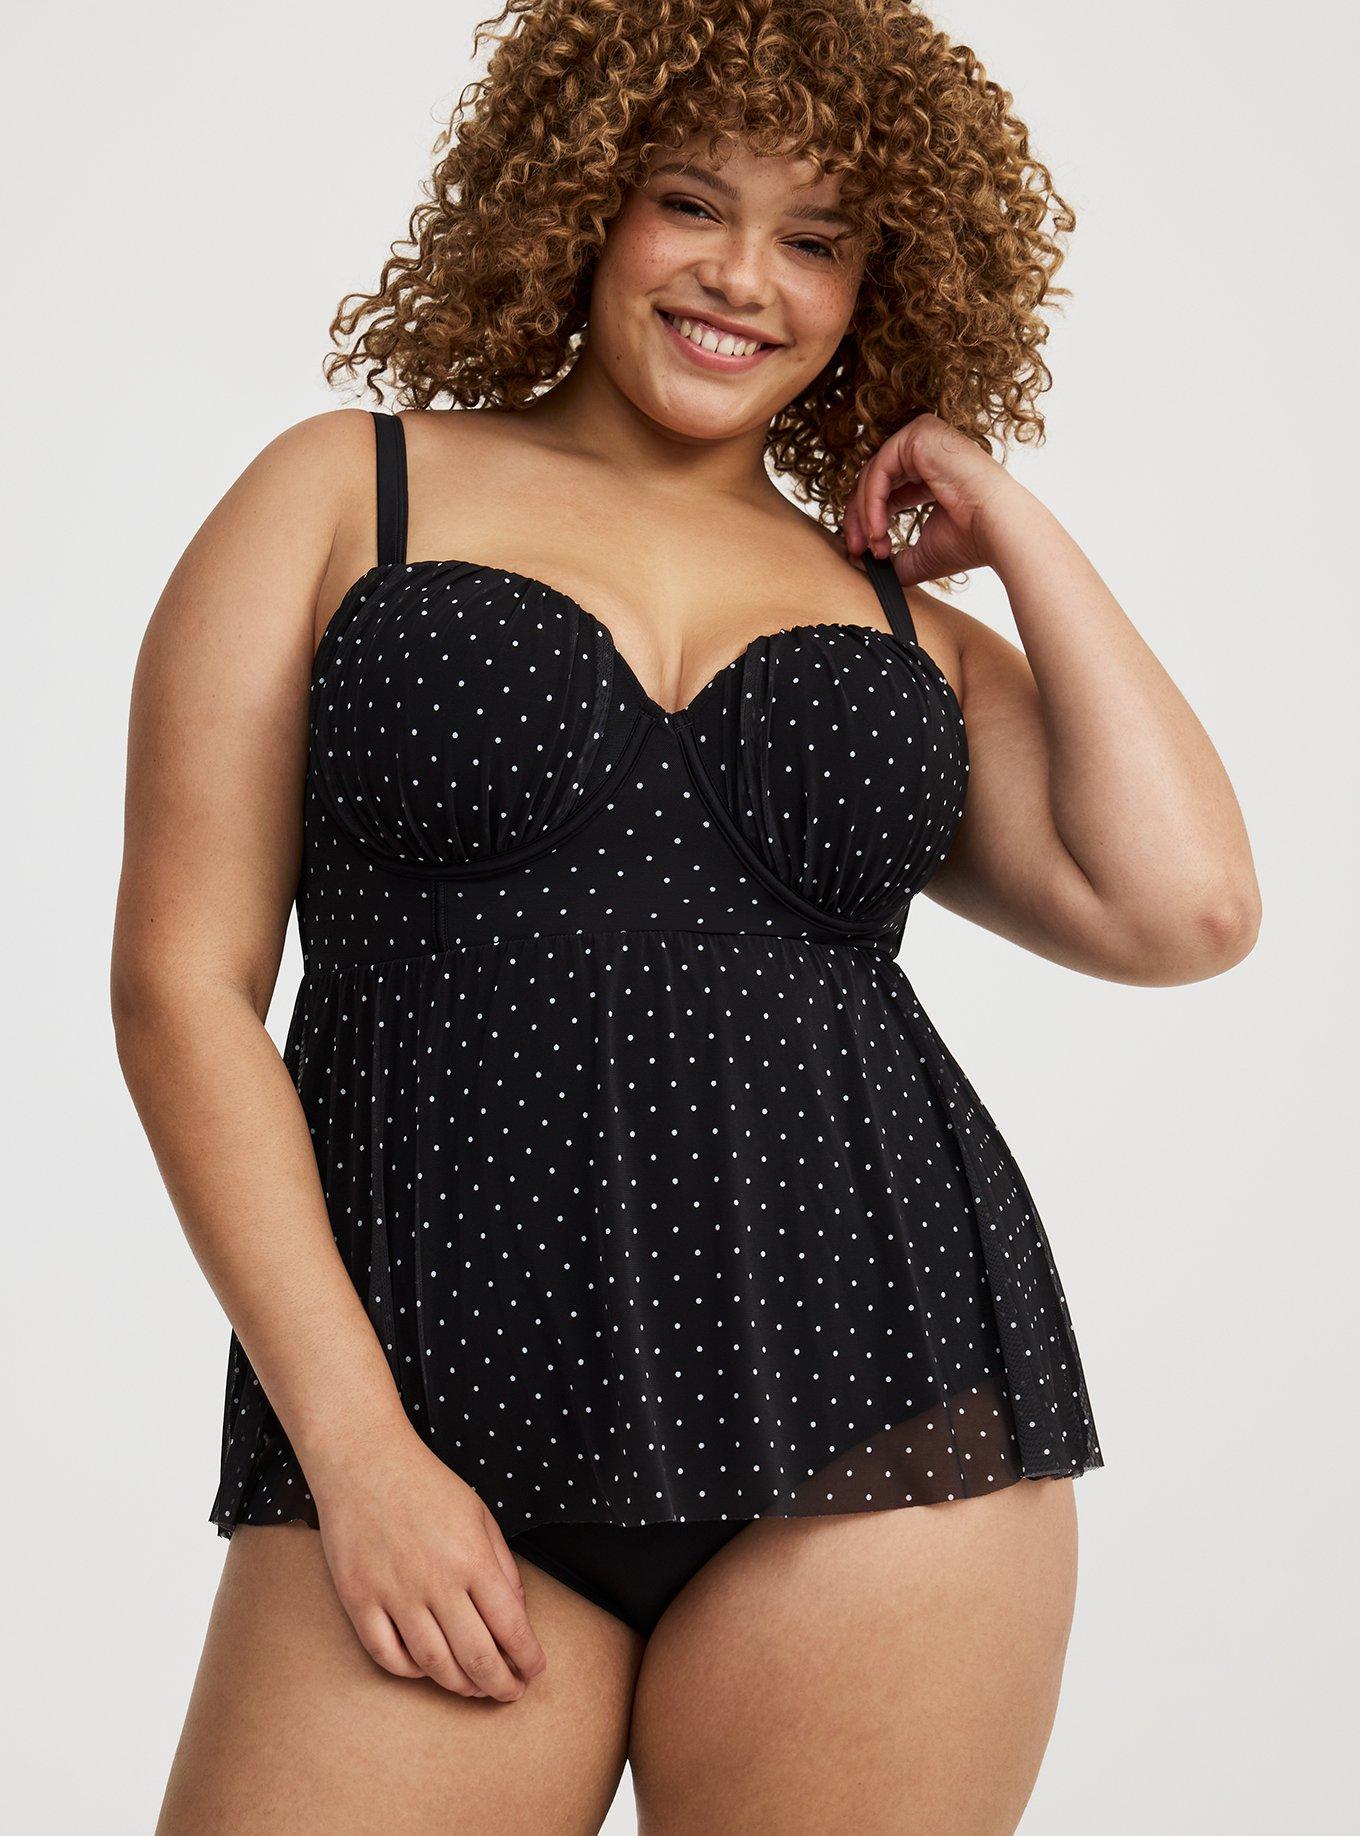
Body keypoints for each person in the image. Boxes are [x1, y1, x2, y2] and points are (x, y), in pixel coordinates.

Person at [111, 1, 1261, 1829]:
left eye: (819, 239)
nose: (745, 279)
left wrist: (1010, 521)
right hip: (430, 1427)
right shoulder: (347, 492)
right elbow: (181, 986)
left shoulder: (892, 621)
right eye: (691, 204)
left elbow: (1187, 906)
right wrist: (358, 1451)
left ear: (885, 282)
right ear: (581, 201)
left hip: (885, 1419)